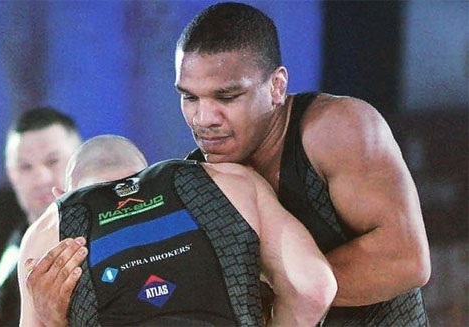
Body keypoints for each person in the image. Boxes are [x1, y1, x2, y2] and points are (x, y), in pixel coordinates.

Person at [26, 2, 432, 326]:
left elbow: (406, 261)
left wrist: (258, 288)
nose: (204, 119)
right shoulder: (194, 184)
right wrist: (53, 314)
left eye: (227, 97)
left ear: (276, 86)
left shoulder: (333, 129)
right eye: (190, 97)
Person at [18, 134, 337, 327]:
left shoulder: (51, 228)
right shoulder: (229, 182)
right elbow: (313, 288)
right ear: (148, 173)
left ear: (62, 194)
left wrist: (52, 322)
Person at [0, 107, 82, 327]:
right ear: (11, 174)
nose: (40, 177)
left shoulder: (104, 238)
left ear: (78, 161)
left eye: (52, 161)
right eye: (25, 167)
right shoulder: (5, 243)